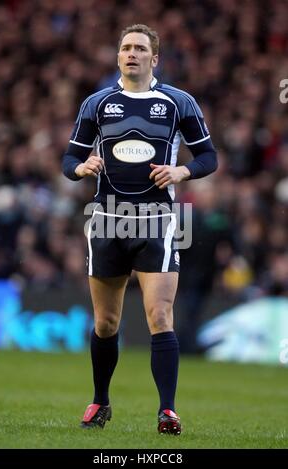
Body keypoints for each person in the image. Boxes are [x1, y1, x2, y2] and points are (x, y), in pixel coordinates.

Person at [62, 24, 217, 435]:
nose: (132, 53)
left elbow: (208, 157)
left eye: (140, 48)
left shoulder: (178, 102)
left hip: (159, 220)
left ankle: (167, 410)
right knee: (106, 323)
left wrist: (181, 169)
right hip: (107, 219)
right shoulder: (97, 104)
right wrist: (81, 167)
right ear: (117, 58)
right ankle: (100, 400)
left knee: (159, 314)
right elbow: (69, 159)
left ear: (155, 59)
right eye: (126, 48)